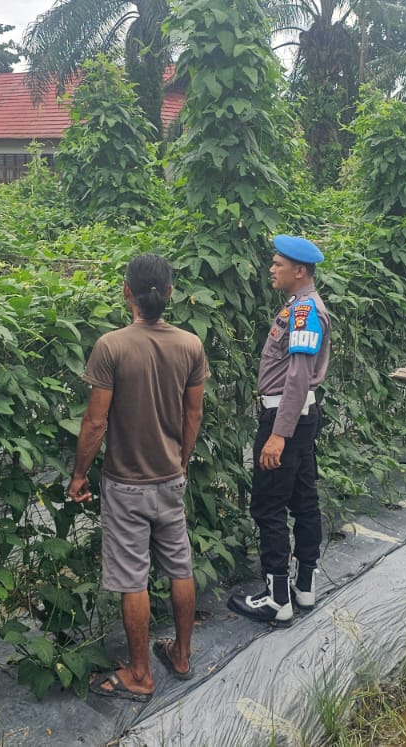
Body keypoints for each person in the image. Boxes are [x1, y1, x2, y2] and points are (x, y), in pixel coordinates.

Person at [69, 253, 210, 702]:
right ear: (169, 294)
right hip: (170, 478)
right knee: (180, 566)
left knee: (133, 578)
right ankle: (182, 656)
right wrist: (181, 461)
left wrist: (79, 475)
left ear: (126, 291)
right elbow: (193, 413)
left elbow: (95, 422)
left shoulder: (111, 346)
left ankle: (140, 675)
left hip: (125, 484)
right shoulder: (190, 345)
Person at [229, 234, 331, 626]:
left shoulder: (304, 312)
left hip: (285, 418)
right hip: (300, 418)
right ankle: (304, 587)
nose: (271, 269)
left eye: (278, 264)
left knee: (268, 505)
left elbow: (298, 376)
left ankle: (277, 599)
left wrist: (278, 434)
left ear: (299, 270)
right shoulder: (299, 307)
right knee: (304, 499)